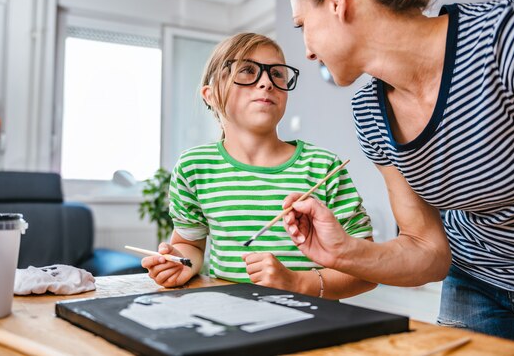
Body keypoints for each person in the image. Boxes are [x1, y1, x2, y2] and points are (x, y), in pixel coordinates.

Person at [284, 0, 514, 341]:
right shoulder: (370, 113)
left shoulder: (506, 39)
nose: (307, 52)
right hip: (476, 281)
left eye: (301, 24)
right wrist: (340, 251)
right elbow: (426, 252)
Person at [141, 32, 376, 299]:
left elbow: (368, 270)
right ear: (211, 94)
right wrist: (180, 263)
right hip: (226, 321)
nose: (266, 82)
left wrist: (297, 282)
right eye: (247, 70)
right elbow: (188, 244)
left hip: (308, 324)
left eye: (277, 74)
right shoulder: (195, 167)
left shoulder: (323, 167)